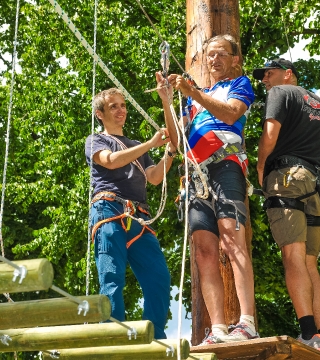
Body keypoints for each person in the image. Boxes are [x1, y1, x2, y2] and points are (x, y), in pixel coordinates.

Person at [156, 34, 257, 344]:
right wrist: (167, 101)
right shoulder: (192, 99)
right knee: (203, 251)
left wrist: (192, 91)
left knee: (232, 239)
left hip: (225, 165)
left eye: (221, 54)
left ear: (234, 60)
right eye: (209, 55)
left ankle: (247, 322)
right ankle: (217, 328)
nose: (214, 60)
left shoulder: (239, 85)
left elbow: (229, 114)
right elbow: (175, 140)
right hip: (194, 176)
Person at [253, 58, 320, 356]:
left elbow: (270, 135)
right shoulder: (317, 103)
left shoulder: (280, 93)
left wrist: (261, 168)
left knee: (293, 256)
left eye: (270, 74)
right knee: (310, 264)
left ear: (288, 74)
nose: (265, 80)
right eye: (263, 77)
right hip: (317, 185)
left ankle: (308, 334)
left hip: (287, 177)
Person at [86, 88, 176, 340]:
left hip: (138, 216)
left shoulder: (136, 146)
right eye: (113, 106)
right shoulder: (95, 140)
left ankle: (154, 336)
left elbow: (154, 178)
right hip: (109, 209)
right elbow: (111, 160)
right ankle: (114, 335)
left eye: (123, 105)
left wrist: (168, 153)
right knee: (111, 276)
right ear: (100, 114)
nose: (121, 110)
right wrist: (151, 143)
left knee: (159, 277)